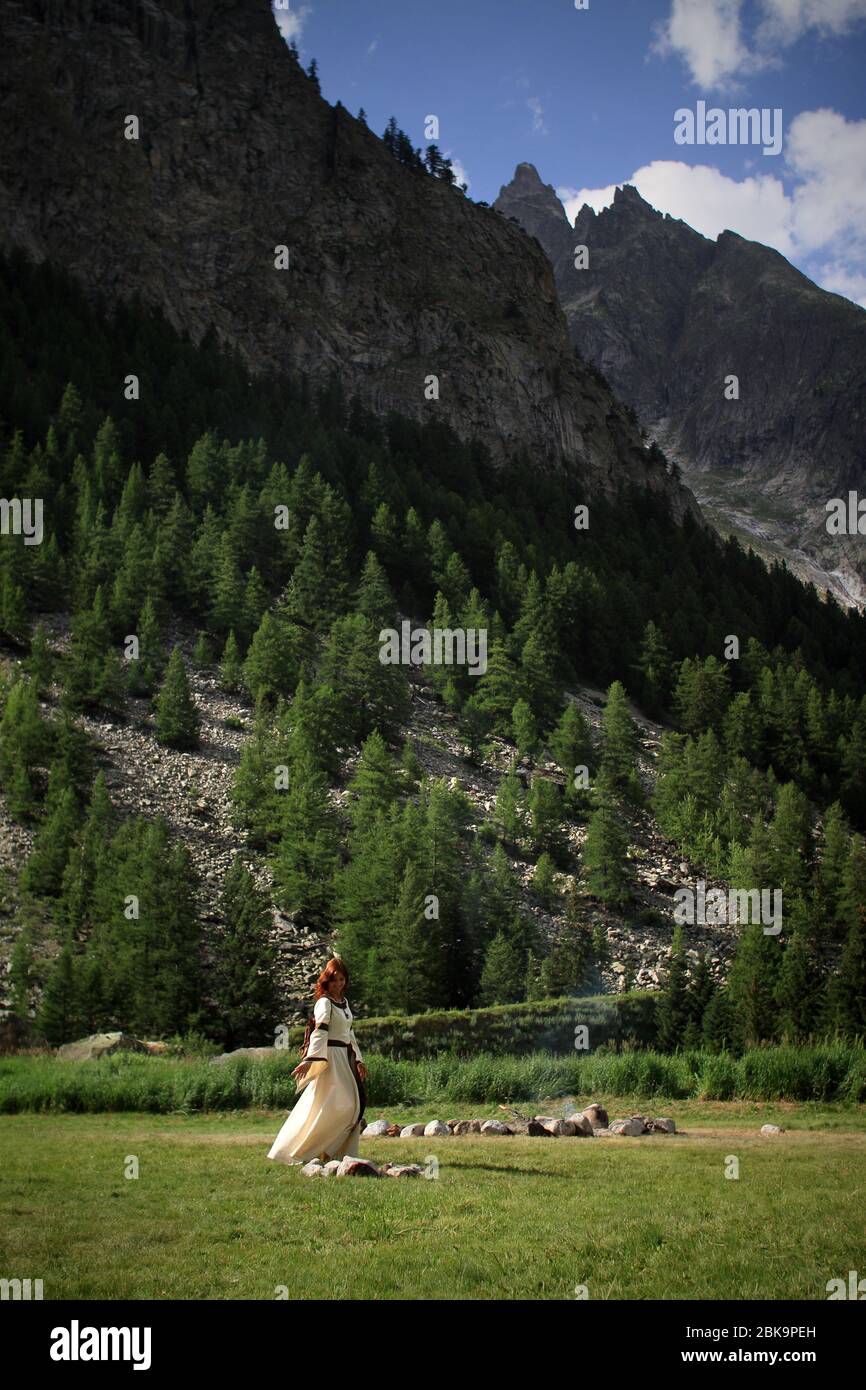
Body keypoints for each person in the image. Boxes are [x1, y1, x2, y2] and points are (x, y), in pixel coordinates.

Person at [267, 957, 367, 1166]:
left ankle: (332, 1151)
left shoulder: (344, 1003)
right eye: (334, 980)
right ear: (327, 981)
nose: (338, 984)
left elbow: (349, 1033)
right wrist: (310, 1060)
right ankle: (305, 1151)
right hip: (329, 1058)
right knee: (331, 1106)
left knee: (351, 1107)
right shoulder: (324, 1003)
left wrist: (359, 1060)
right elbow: (319, 1032)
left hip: (344, 1058)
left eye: (342, 979)